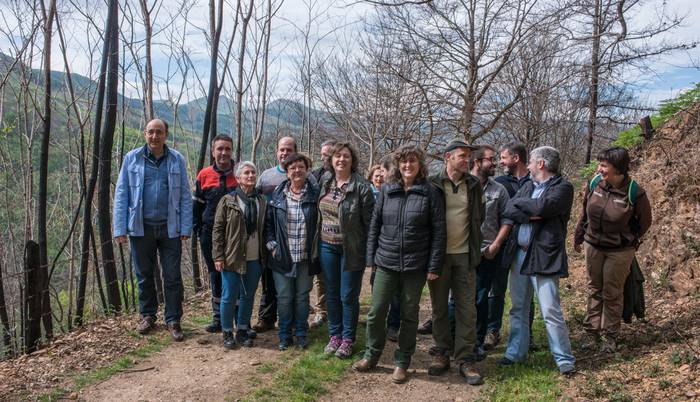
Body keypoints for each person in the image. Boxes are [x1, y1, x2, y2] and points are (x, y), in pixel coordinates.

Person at [353, 144, 446, 385]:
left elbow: (439, 232)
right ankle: (371, 355)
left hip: (416, 265)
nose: (407, 165)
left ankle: (402, 361)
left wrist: (434, 266)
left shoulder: (430, 192)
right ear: (397, 164)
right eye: (403, 161)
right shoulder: (387, 190)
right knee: (376, 312)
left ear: (420, 165)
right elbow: (375, 225)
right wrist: (371, 259)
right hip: (386, 261)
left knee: (409, 315)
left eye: (412, 161)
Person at [497, 146, 576, 376]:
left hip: (544, 255)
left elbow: (544, 206)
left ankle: (564, 360)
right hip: (519, 254)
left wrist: (530, 209)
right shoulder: (527, 186)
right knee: (518, 307)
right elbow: (509, 209)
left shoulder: (563, 188)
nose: (528, 165)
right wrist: (533, 214)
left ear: (541, 163)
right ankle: (515, 353)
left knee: (550, 310)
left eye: (531, 161)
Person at [113, 119, 192, 342]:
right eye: (150, 132)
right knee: (144, 275)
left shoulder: (176, 159)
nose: (154, 136)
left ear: (166, 134)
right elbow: (121, 194)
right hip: (141, 227)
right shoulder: (132, 158)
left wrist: (186, 226)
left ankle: (173, 319)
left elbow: (185, 195)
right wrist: (119, 228)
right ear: (145, 134)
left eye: (159, 132)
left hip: (170, 228)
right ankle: (148, 315)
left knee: (172, 276)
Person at [574, 147, 652, 353]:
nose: (599, 169)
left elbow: (645, 222)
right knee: (594, 288)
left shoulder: (634, 192)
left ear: (618, 168)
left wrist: (629, 239)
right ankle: (591, 332)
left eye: (604, 165)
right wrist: (579, 236)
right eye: (599, 164)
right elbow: (584, 213)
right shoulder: (595, 183)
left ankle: (610, 336)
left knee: (612, 292)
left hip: (619, 251)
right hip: (593, 245)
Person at [426, 139, 485, 386]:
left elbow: (479, 216)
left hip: (464, 255)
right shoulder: (432, 182)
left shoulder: (473, 184)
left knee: (467, 309)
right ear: (447, 157)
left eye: (469, 156)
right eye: (462, 156)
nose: (467, 160)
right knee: (439, 308)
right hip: (438, 256)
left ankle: (465, 359)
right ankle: (441, 352)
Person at [319, 142, 375, 359]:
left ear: (353, 161)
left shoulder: (361, 186)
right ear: (331, 160)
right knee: (331, 294)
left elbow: (370, 223)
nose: (341, 159)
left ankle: (348, 339)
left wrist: (370, 253)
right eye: (337, 156)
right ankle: (334, 335)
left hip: (351, 249)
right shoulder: (326, 182)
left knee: (348, 295)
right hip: (326, 246)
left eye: (346, 156)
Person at [264, 153, 320, 350]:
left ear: (307, 170)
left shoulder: (315, 195)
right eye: (292, 168)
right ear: (287, 172)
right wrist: (272, 246)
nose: (297, 171)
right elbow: (268, 224)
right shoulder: (278, 195)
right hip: (282, 257)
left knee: (302, 297)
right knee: (284, 297)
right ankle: (285, 334)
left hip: (305, 256)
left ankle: (301, 333)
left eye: (301, 167)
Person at [482, 141, 534, 350]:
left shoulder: (535, 181)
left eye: (503, 158)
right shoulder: (500, 183)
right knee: (496, 290)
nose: (500, 162)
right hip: (502, 244)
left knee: (526, 294)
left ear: (516, 158)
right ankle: (492, 330)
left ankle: (526, 334)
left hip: (525, 245)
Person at [212, 161, 267, 349]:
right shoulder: (228, 200)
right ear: (238, 178)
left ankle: (242, 329)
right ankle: (227, 331)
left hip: (255, 256)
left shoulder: (261, 201)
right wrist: (218, 256)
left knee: (248, 295)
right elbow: (218, 229)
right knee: (229, 295)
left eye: (253, 172)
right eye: (246, 173)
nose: (251, 176)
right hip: (232, 256)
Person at [192, 135, 238, 333]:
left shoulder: (240, 173)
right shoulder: (204, 175)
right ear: (213, 152)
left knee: (236, 275)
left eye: (227, 148)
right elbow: (196, 207)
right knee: (215, 275)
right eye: (220, 149)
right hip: (209, 235)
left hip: (236, 236)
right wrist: (198, 230)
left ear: (232, 151)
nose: (224, 153)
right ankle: (218, 318)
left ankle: (237, 318)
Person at [253, 136, 297, 333]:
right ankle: (267, 318)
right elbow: (255, 200)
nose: (285, 153)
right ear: (277, 152)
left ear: (295, 152)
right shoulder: (266, 176)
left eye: (289, 149)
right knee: (269, 278)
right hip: (268, 235)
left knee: (294, 280)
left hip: (294, 236)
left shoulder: (302, 175)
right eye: (282, 149)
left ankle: (294, 320)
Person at [469, 146, 511, 351]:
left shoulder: (499, 190)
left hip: (486, 252)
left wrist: (496, 244)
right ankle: (454, 340)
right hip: (461, 251)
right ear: (477, 162)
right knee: (456, 298)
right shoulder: (461, 185)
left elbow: (507, 220)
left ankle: (477, 342)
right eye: (490, 160)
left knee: (480, 297)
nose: (494, 164)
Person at [368, 155, 402, 342]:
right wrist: (371, 255)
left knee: (396, 293)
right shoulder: (372, 194)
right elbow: (373, 226)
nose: (381, 176)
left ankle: (393, 325)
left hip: (397, 251)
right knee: (377, 291)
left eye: (383, 172)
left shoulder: (401, 192)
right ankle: (377, 325)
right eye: (378, 173)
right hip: (380, 250)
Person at [309, 139, 337, 329]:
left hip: (338, 235)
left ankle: (337, 310)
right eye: (322, 154)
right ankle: (321, 311)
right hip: (317, 232)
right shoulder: (315, 175)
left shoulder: (348, 176)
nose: (323, 158)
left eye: (326, 155)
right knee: (319, 276)